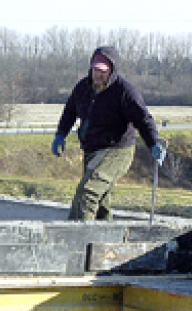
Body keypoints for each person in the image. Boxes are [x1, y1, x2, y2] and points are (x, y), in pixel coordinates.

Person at [52, 45, 165, 221]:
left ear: (112, 71)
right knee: (101, 205)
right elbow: (70, 111)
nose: (98, 75)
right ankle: (107, 236)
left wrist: (153, 143)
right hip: (92, 150)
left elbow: (143, 119)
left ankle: (77, 235)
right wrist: (61, 134)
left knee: (88, 192)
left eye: (103, 71)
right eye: (95, 70)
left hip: (117, 151)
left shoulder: (125, 92)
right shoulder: (82, 88)